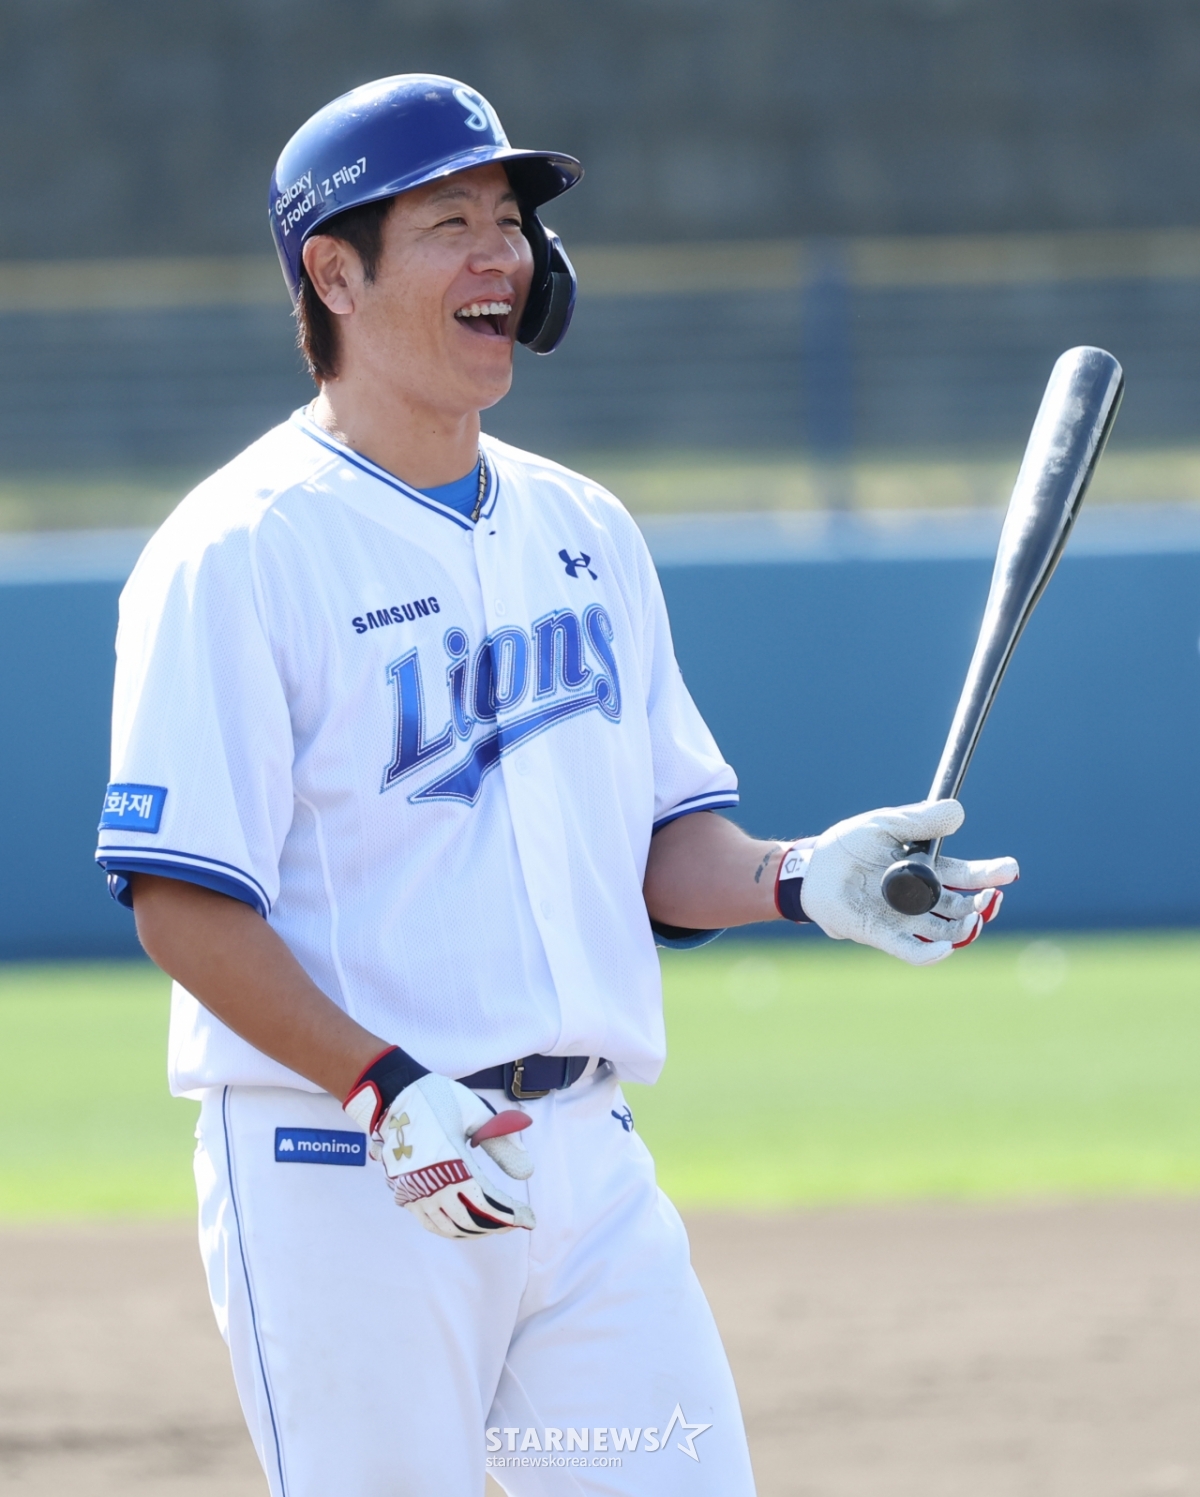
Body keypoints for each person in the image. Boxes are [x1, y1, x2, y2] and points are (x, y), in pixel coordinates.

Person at [95, 74, 1017, 1497]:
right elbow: (181, 900)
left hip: (584, 1165)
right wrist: (382, 1088)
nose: (502, 256)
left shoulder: (583, 525)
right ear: (332, 274)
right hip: (348, 1170)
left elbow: (662, 846)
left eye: (511, 221)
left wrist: (803, 877)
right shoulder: (240, 549)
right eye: (451, 223)